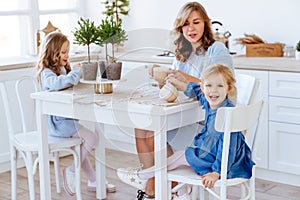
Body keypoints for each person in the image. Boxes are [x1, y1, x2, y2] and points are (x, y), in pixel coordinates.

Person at [117, 2, 233, 199]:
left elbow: (218, 86)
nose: (191, 28)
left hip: (209, 126)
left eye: (196, 22)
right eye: (185, 24)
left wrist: (182, 78)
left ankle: (155, 184)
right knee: (142, 126)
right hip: (187, 118)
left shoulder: (216, 50)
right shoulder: (182, 54)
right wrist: (166, 83)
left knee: (155, 131)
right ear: (180, 28)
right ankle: (158, 186)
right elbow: (180, 90)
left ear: (205, 23)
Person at [119, 64, 254, 200]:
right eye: (209, 86)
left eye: (220, 86)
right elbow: (196, 91)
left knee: (180, 157)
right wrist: (178, 84)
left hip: (222, 164)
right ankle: (179, 191)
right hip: (213, 155)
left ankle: (143, 176)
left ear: (228, 88)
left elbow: (229, 148)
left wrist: (217, 172)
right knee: (179, 158)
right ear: (203, 87)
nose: (213, 91)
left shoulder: (226, 115)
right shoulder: (213, 102)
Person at [36, 31, 116, 196]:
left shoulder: (63, 70)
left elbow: (68, 83)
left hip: (66, 121)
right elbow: (56, 84)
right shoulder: (47, 73)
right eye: (63, 52)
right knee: (92, 137)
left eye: (68, 51)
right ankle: (71, 170)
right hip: (58, 124)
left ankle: (94, 180)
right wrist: (74, 74)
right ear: (53, 52)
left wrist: (77, 76)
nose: (67, 55)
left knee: (82, 146)